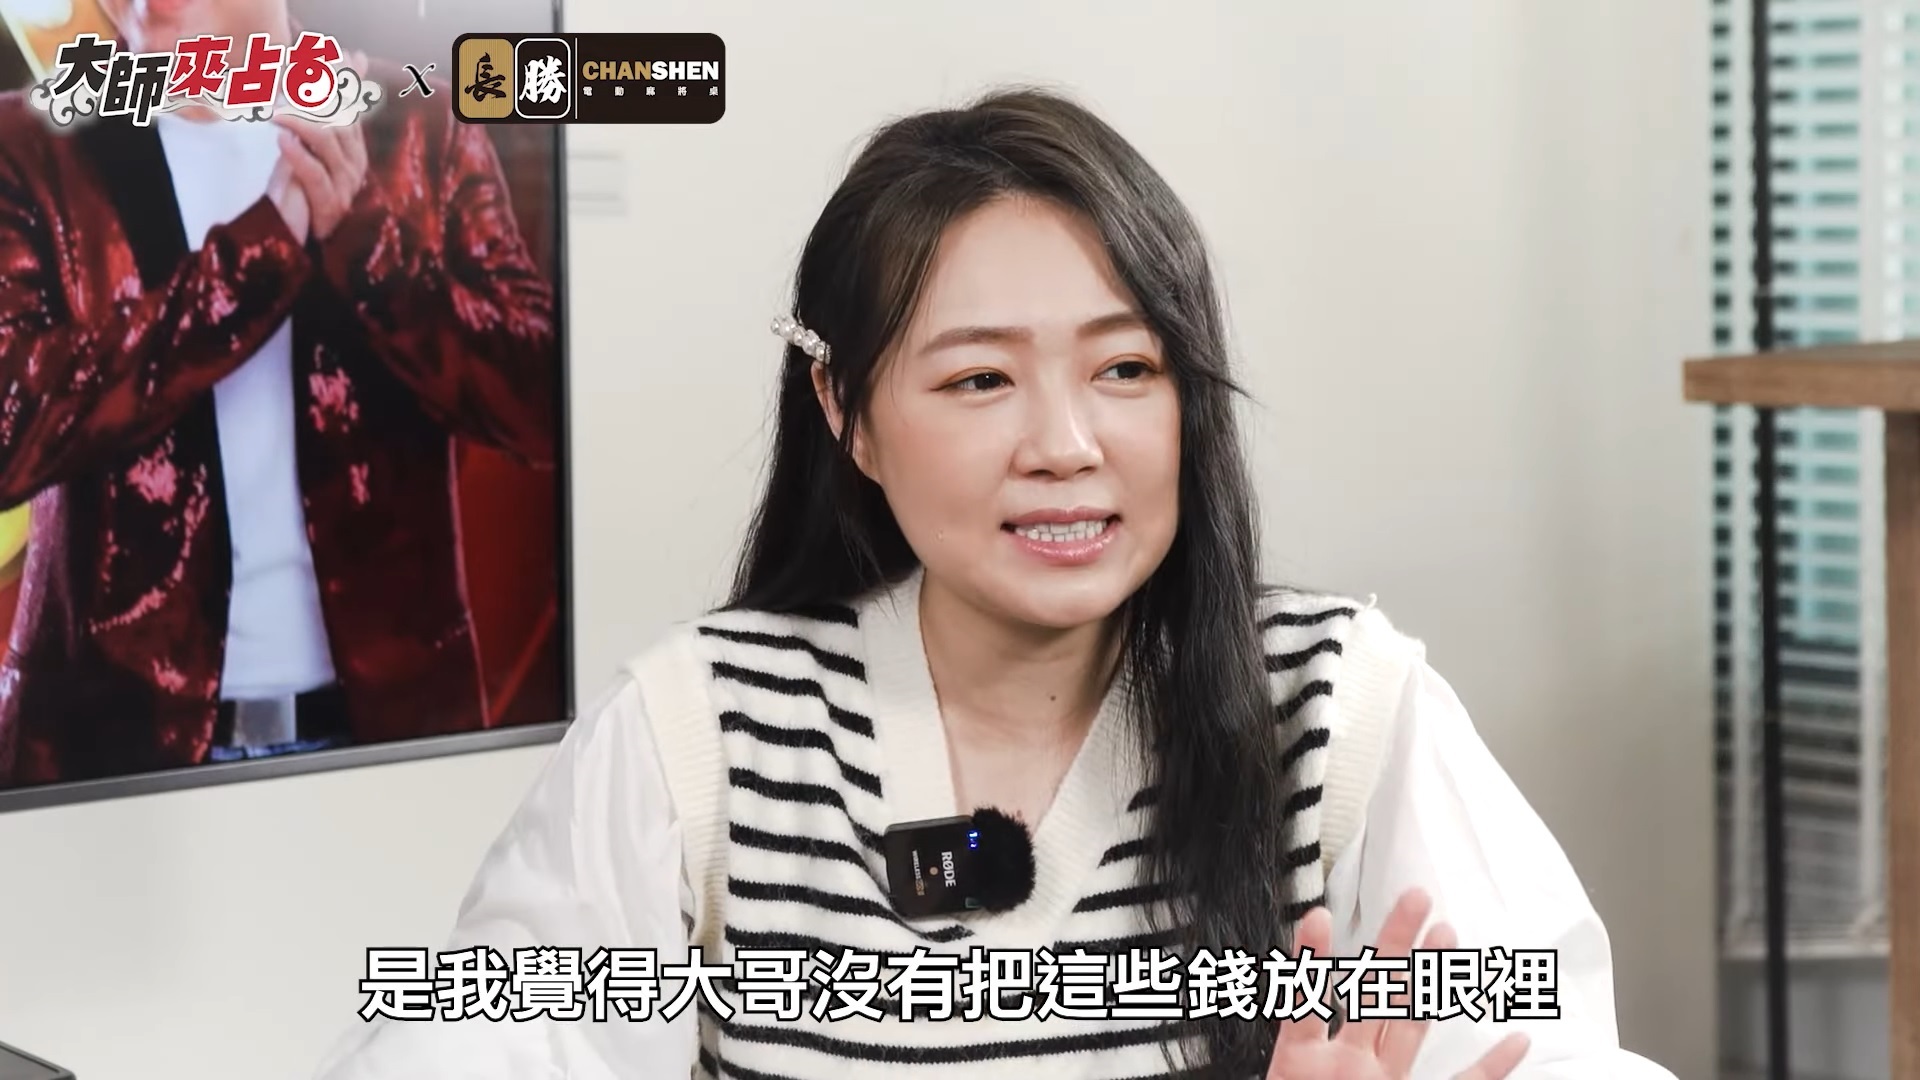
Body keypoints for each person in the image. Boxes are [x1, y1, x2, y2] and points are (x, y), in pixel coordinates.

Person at [312, 88, 1676, 1078]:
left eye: (1126, 368)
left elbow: (1551, 1052)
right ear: (846, 412)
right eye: (979, 380)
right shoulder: (699, 737)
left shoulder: (1341, 711)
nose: (1067, 445)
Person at [0, 0, 556, 784]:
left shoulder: (413, 120)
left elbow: (539, 399)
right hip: (109, 755)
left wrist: (368, 242)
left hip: (388, 744)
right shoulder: (32, 138)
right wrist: (257, 256)